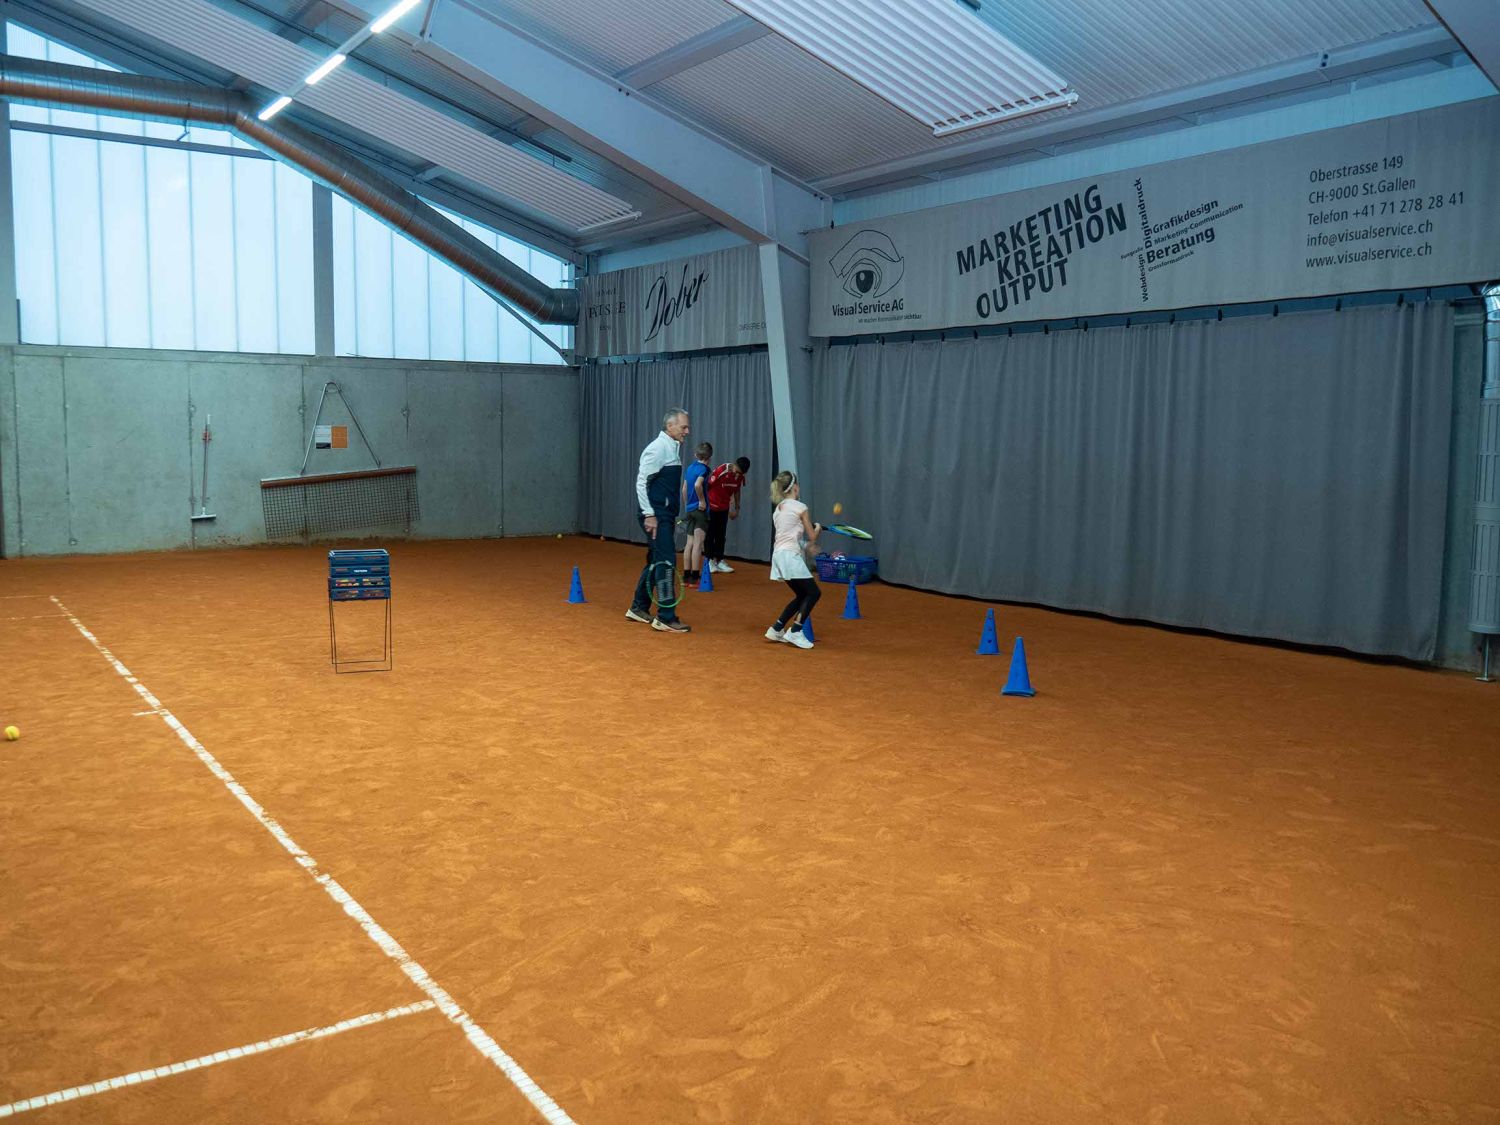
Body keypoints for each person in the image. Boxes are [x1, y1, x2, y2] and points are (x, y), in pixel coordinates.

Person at [626, 408, 691, 633]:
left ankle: (638, 607)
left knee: (656, 560)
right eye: (683, 427)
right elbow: (641, 482)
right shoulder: (657, 449)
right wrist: (649, 514)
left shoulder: (672, 448)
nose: (687, 431)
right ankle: (666, 616)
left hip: (664, 515)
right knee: (666, 562)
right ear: (670, 426)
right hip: (656, 516)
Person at [765, 470, 821, 649]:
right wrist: (817, 529)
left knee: (802, 594)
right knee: (814, 593)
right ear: (795, 487)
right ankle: (795, 631)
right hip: (790, 557)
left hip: (778, 556)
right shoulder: (800, 507)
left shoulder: (778, 509)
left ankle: (777, 628)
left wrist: (805, 546)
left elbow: (789, 537)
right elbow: (812, 536)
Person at [704, 456, 751, 574]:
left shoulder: (740, 476)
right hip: (712, 507)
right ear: (734, 464)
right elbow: (707, 485)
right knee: (710, 534)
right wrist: (703, 503)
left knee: (721, 535)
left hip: (724, 508)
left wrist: (737, 508)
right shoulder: (722, 470)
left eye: (740, 473)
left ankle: (719, 560)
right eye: (736, 470)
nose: (737, 474)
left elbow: (737, 491)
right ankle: (709, 561)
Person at [679, 441, 712, 585]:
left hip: (690, 510)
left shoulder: (690, 468)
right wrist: (702, 501)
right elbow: (698, 485)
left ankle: (686, 576)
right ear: (709, 457)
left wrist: (687, 505)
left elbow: (684, 489)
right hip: (700, 511)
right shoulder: (705, 469)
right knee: (698, 544)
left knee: (689, 543)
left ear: (696, 455)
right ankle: (694, 576)